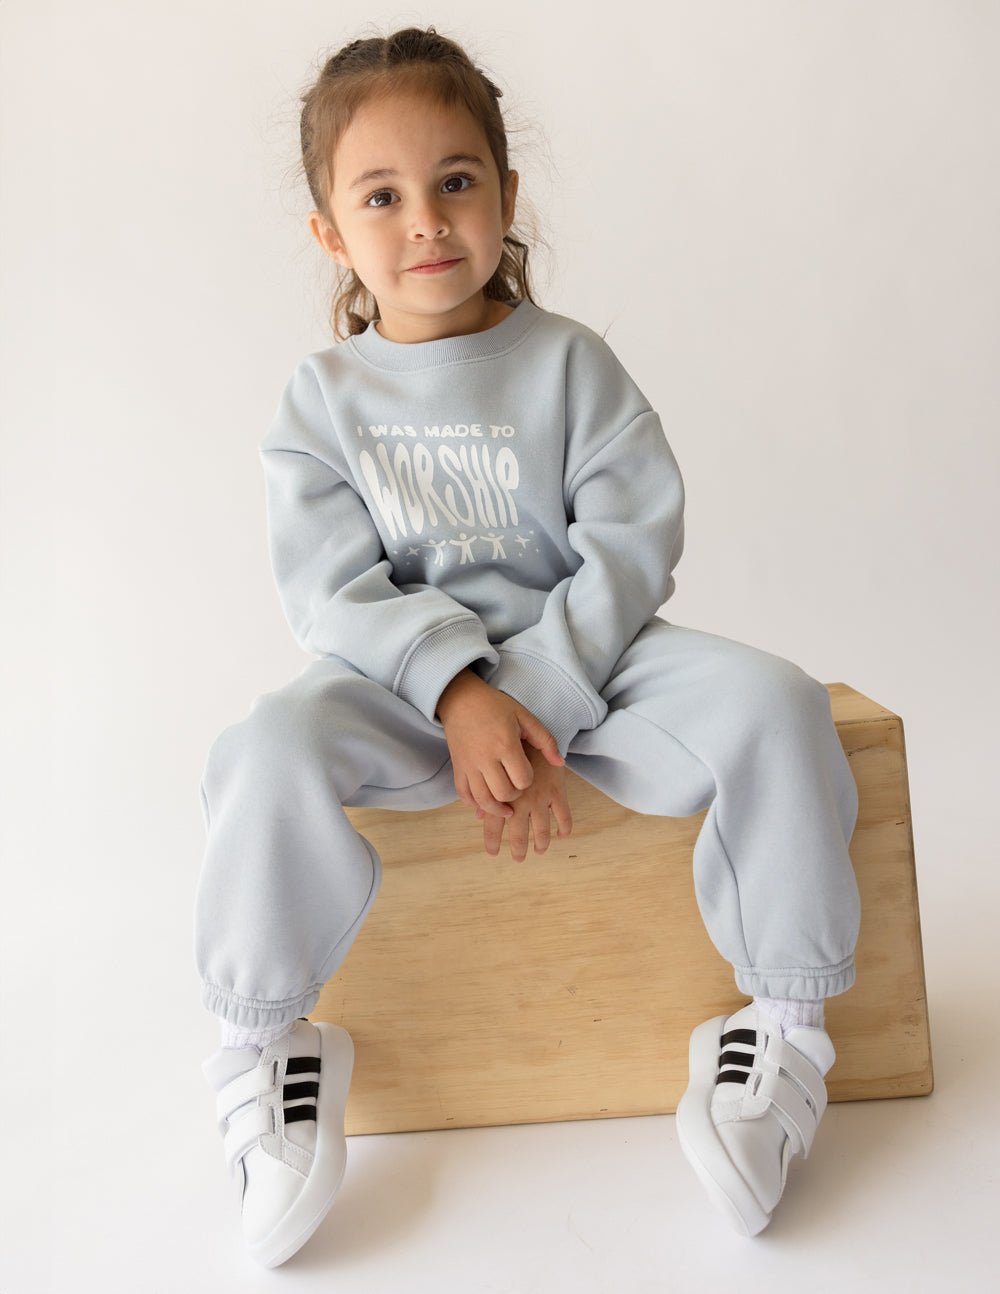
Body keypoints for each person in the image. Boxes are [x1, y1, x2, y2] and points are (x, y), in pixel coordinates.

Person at [195, 26, 861, 1267]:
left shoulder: (569, 363)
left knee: (778, 704)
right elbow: (330, 585)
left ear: (508, 195)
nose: (427, 222)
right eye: (381, 197)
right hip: (399, 689)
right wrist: (455, 688)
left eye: (457, 181)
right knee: (265, 746)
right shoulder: (320, 402)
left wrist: (540, 685)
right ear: (331, 237)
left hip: (591, 663)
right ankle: (263, 1052)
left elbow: (629, 533)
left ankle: (782, 1038)